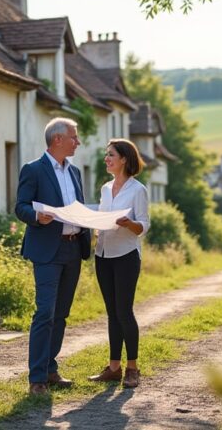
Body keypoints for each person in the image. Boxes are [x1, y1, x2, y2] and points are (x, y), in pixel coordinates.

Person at [15, 117, 91, 396]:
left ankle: (50, 368)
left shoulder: (75, 172)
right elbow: (20, 207)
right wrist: (37, 215)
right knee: (45, 312)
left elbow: (77, 207)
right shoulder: (33, 170)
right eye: (74, 137)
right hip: (48, 249)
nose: (78, 142)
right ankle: (36, 379)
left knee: (61, 313)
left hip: (73, 247)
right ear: (57, 139)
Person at [87, 139, 149, 389]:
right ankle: (114, 368)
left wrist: (128, 223)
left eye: (111, 154)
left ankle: (132, 368)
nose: (106, 158)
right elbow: (102, 217)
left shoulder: (138, 190)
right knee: (112, 313)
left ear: (124, 159)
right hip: (103, 255)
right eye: (106, 155)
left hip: (126, 256)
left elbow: (143, 226)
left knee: (125, 311)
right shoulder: (104, 189)